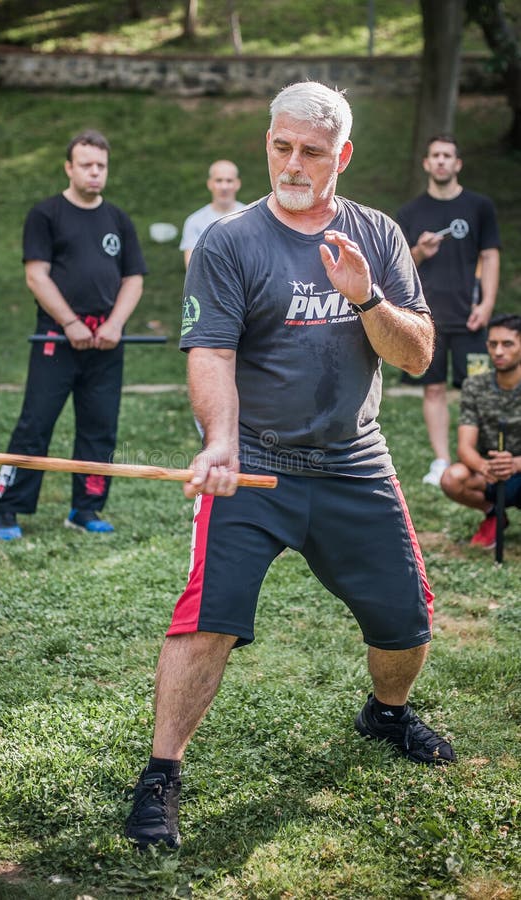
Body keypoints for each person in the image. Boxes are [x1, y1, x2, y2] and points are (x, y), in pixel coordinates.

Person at [124, 81, 455, 852]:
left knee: (405, 618)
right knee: (206, 617)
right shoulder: (229, 242)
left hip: (352, 459)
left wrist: (366, 297)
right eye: (280, 146)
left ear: (341, 154)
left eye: (310, 150)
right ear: (266, 142)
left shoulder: (376, 235)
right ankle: (160, 774)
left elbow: (415, 357)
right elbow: (211, 353)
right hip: (256, 464)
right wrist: (218, 442)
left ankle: (386, 713)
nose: (291, 163)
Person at [0, 129, 147, 541]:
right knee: (36, 422)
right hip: (56, 338)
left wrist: (114, 323)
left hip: (107, 341)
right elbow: (36, 275)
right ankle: (9, 507)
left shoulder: (118, 219)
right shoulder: (46, 215)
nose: (95, 173)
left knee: (100, 426)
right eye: (86, 165)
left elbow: (133, 279)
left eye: (101, 166)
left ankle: (86, 507)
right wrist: (70, 323)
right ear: (69, 167)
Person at [397, 135, 501, 487]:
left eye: (448, 156)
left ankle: (478, 458)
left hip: (470, 317)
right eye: (435, 156)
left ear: (457, 164)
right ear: (426, 163)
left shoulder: (479, 206)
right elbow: (399, 266)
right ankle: (442, 460)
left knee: (479, 391)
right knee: (434, 390)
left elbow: (489, 256)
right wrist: (420, 252)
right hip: (428, 320)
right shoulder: (410, 213)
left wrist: (486, 304)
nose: (441, 161)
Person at [440, 314, 521, 548]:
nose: (498, 352)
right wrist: (486, 467)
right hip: (490, 473)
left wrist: (515, 463)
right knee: (452, 478)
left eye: (507, 344)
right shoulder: (474, 386)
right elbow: (465, 447)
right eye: (492, 344)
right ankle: (494, 513)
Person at [179, 159, 245, 269]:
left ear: (237, 184)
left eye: (229, 181)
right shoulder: (194, 221)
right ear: (210, 184)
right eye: (218, 181)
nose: (224, 187)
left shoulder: (251, 217)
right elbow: (192, 268)